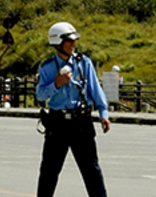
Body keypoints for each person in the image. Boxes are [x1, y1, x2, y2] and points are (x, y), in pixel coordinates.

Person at [35, 21, 110, 197]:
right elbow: (40, 95)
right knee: (49, 172)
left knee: (91, 170)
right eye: (69, 41)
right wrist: (56, 84)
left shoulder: (84, 63)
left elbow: (95, 90)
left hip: (81, 123)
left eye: (74, 40)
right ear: (57, 43)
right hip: (57, 124)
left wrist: (103, 114)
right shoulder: (47, 68)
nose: (73, 44)